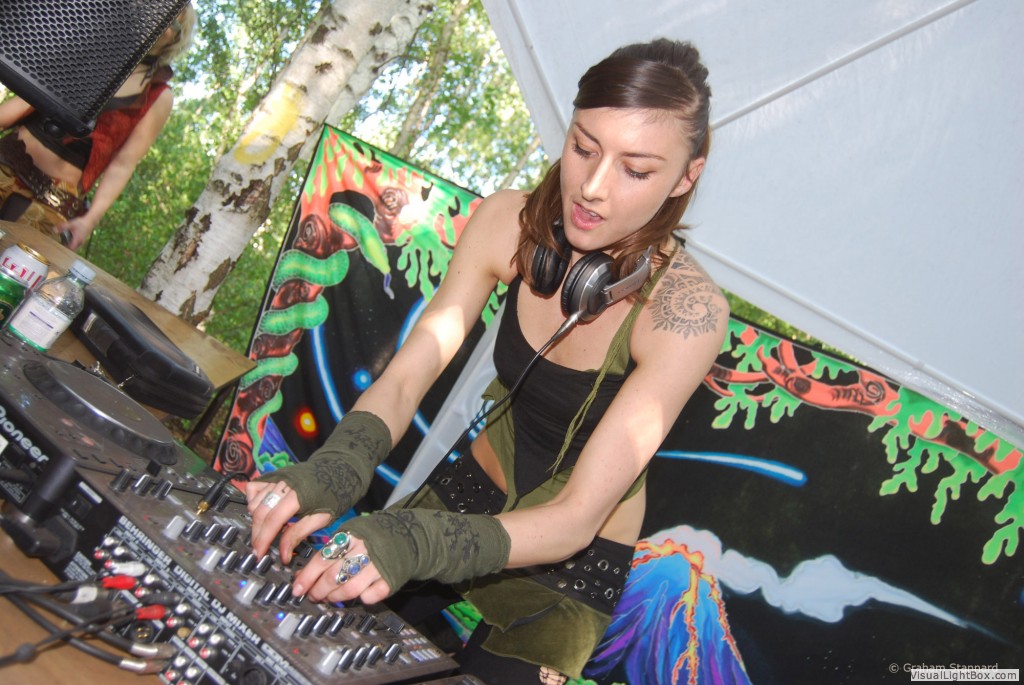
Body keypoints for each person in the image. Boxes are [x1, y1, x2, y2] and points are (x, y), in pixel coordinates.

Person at [246, 37, 728, 684]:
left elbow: (575, 518)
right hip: (472, 491)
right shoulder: (508, 221)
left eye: (635, 170)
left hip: (570, 553)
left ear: (687, 176)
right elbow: (410, 374)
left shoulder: (688, 312)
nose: (591, 187)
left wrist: (414, 540)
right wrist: (340, 466)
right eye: (584, 147)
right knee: (328, 644)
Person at [0, 4, 196, 250]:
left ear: (176, 37)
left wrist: (90, 219)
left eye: (169, 19)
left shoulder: (159, 96)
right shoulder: (90, 49)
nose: (156, 18)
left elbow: (123, 164)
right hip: (6, 159)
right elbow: (26, 101)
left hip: (50, 201)